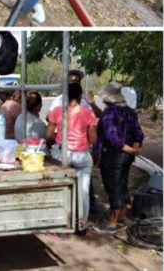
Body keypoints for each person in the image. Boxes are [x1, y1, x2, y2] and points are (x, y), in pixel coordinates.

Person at [93, 82, 144, 233]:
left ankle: (112, 223)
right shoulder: (129, 111)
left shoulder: (109, 113)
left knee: (113, 186)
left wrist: (128, 149)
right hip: (126, 156)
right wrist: (135, 148)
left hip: (113, 155)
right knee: (122, 183)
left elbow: (111, 137)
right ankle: (121, 217)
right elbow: (139, 133)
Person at [47, 82, 97, 232]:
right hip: (81, 155)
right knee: (84, 191)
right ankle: (81, 225)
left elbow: (49, 134)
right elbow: (93, 138)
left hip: (62, 154)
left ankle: (59, 224)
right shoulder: (88, 113)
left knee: (59, 189)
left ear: (66, 96)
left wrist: (58, 139)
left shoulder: (57, 111)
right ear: (80, 96)